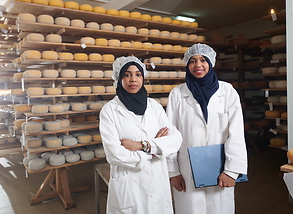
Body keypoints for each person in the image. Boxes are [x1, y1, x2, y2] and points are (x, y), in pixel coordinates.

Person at [166, 43, 248, 214]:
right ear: (187, 65)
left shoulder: (227, 92)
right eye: (192, 61)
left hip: (220, 168)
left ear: (211, 63)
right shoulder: (177, 94)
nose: (198, 65)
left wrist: (232, 170)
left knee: (219, 208)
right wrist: (173, 171)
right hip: (187, 169)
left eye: (203, 60)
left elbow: (236, 132)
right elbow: (170, 135)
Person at [99, 56, 183, 214]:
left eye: (138, 74)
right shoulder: (109, 111)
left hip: (157, 180)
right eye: (127, 74)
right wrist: (154, 151)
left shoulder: (154, 107)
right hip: (130, 185)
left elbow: (176, 139)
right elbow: (115, 155)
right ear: (119, 78)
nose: (133, 79)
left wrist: (142, 146)